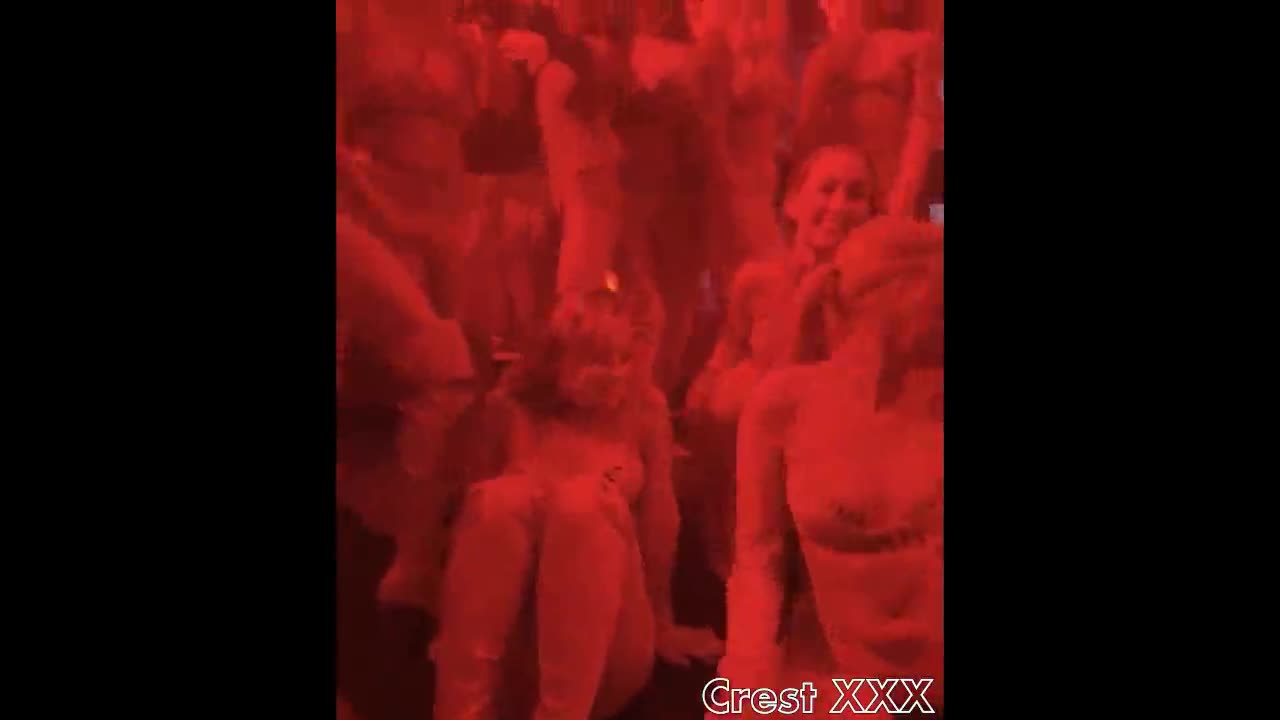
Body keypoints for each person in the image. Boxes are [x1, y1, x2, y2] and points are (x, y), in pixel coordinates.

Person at [432, 291, 724, 720]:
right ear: (557, 360)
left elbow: (659, 524)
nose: (617, 373)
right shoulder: (510, 408)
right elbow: (466, 528)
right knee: (499, 500)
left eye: (625, 358)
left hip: (607, 639)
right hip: (513, 639)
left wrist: (663, 621)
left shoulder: (645, 412)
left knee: (583, 505)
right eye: (598, 359)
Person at [715, 218, 943, 716]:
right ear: (900, 300)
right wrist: (747, 665)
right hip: (847, 682)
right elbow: (759, 562)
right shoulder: (783, 405)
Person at [681, 143, 880, 578]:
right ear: (792, 203)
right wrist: (708, 383)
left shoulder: (876, 292)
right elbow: (728, 350)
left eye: (855, 194)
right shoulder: (757, 280)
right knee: (728, 398)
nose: (838, 206)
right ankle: (736, 562)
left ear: (870, 212)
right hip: (759, 437)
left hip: (836, 438)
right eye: (827, 189)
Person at [793, 0, 942, 218]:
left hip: (889, 179)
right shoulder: (828, 53)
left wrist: (905, 189)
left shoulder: (919, 46)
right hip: (835, 175)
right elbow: (806, 126)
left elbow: (924, 120)